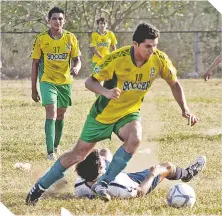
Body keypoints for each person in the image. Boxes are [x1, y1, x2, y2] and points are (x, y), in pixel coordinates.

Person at [26, 23, 199, 205]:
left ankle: (104, 182)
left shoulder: (159, 59)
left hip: (128, 113)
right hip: (101, 116)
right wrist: (106, 92)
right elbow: (89, 82)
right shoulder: (117, 58)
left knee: (135, 137)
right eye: (148, 46)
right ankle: (40, 186)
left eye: (155, 45)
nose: (152, 50)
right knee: (78, 155)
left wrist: (185, 109)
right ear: (135, 44)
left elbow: (174, 83)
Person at [31, 7, 81, 160]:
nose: (57, 21)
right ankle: (50, 152)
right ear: (48, 21)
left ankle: (56, 145)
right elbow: (35, 64)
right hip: (47, 81)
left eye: (60, 18)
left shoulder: (70, 38)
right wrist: (33, 89)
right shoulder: (41, 39)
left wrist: (77, 67)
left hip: (65, 82)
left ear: (64, 21)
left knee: (60, 115)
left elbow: (77, 59)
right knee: (51, 113)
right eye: (54, 18)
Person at [74, 149, 206, 199]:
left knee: (104, 152)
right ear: (101, 169)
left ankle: (109, 162)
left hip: (112, 176)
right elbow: (140, 192)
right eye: (103, 163)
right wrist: (152, 175)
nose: (104, 162)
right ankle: (187, 174)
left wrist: (103, 160)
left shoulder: (80, 182)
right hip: (134, 180)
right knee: (167, 166)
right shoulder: (119, 187)